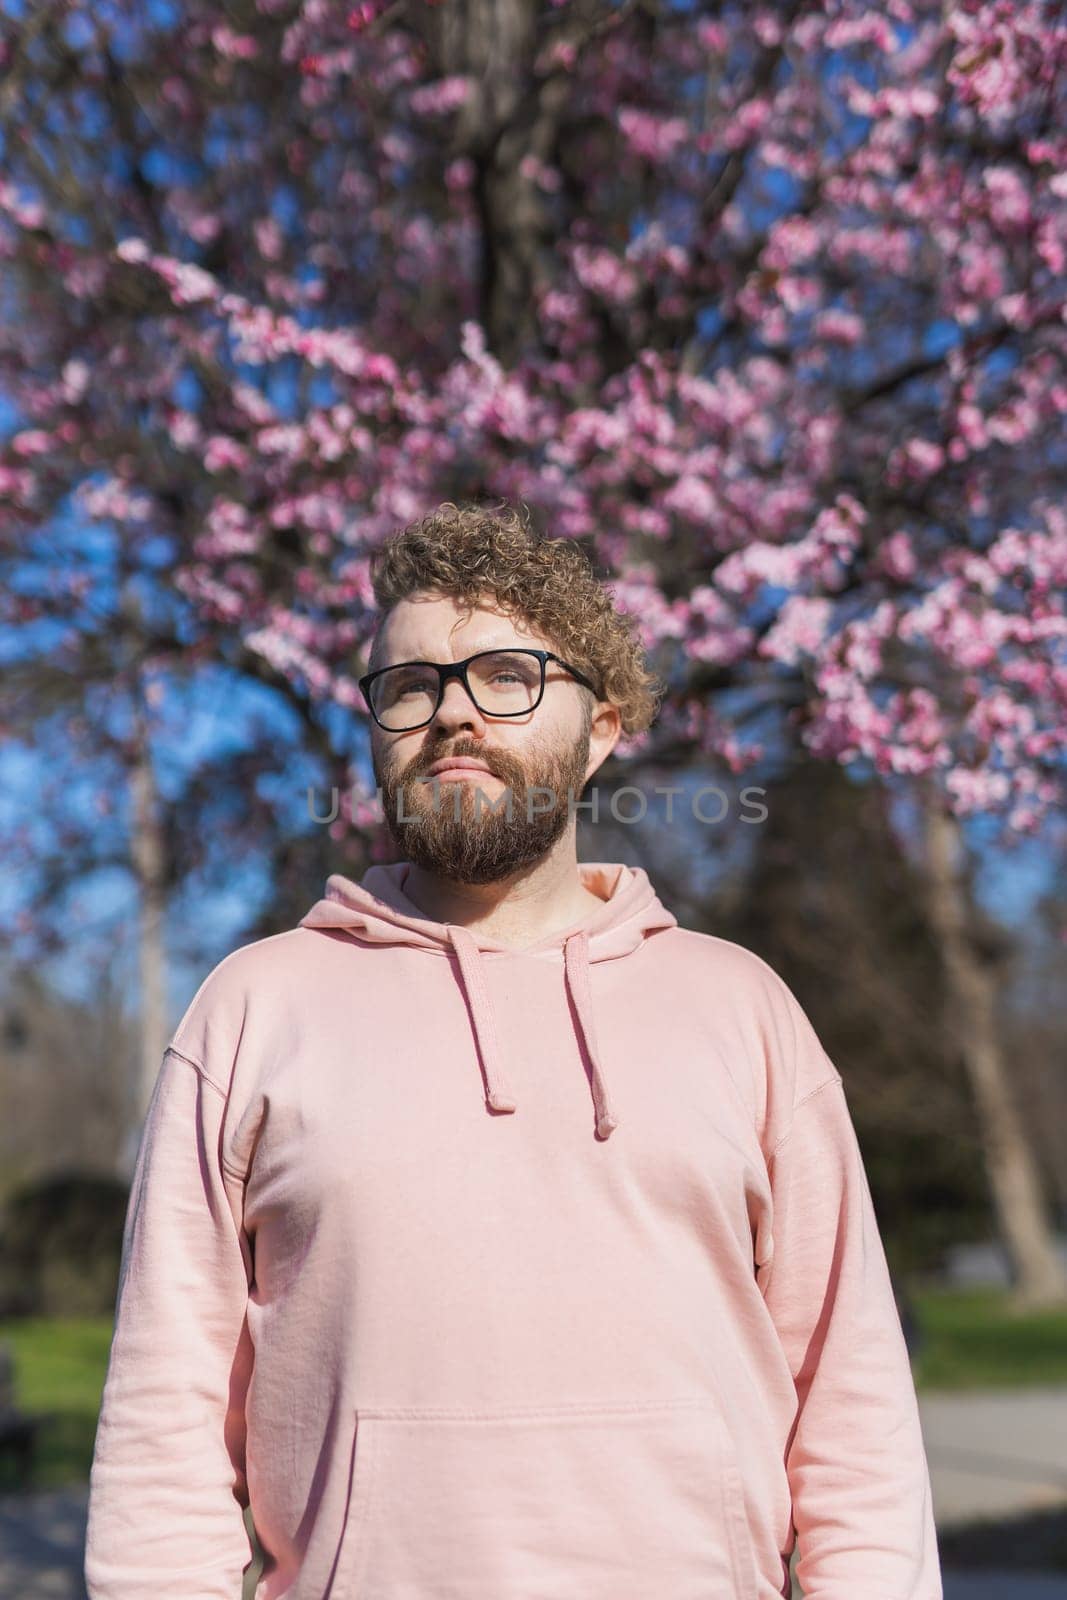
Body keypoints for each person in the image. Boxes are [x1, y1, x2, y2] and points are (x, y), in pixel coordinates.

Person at [85, 502, 943, 1599]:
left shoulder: (741, 1011)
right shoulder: (253, 1009)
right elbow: (166, 1418)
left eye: (505, 675)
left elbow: (852, 1413)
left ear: (601, 728)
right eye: (409, 686)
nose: (451, 714)